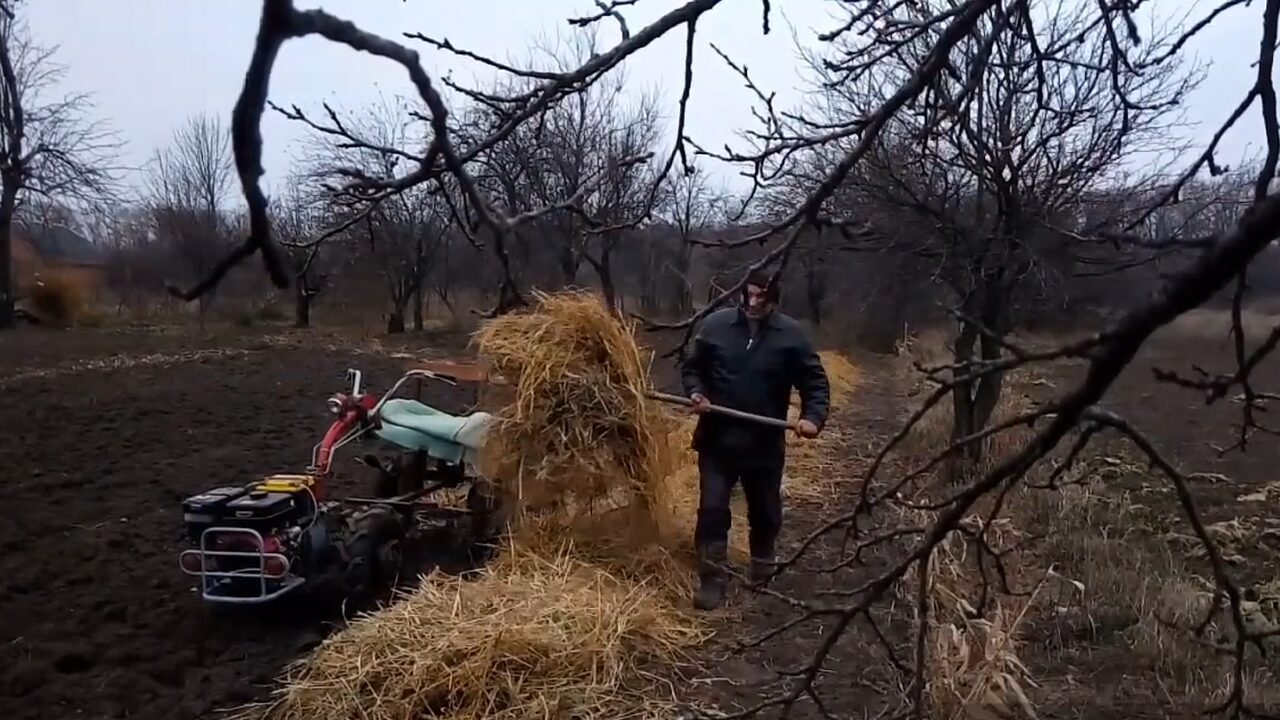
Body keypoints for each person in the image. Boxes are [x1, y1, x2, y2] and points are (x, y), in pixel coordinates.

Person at [679, 268, 830, 610]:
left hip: (764, 442)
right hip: (717, 439)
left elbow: (815, 383)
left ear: (775, 298)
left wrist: (812, 417)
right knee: (713, 509)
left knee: (764, 511)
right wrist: (697, 393)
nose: (753, 302)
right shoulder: (715, 326)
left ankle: (763, 563)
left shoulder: (791, 336)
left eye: (762, 296)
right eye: (748, 294)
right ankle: (712, 578)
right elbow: (692, 368)